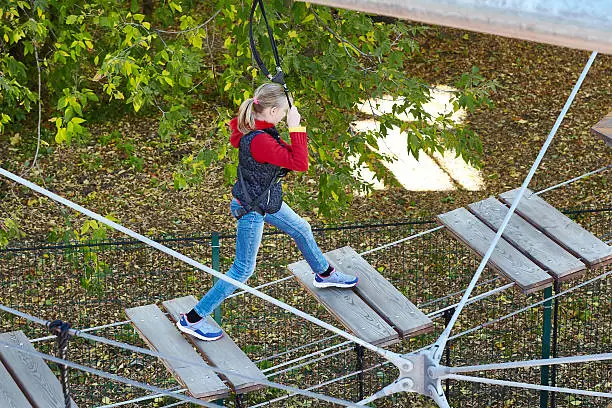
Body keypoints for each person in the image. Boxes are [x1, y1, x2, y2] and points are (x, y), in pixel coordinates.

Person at [177, 83, 358, 341]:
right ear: (272, 111)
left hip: (264, 201)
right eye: (283, 113)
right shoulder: (260, 140)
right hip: (252, 209)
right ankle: (192, 319)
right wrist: (296, 128)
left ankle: (324, 273)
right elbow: (299, 162)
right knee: (242, 270)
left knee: (301, 228)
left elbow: (288, 155)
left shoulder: (261, 129)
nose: (285, 117)